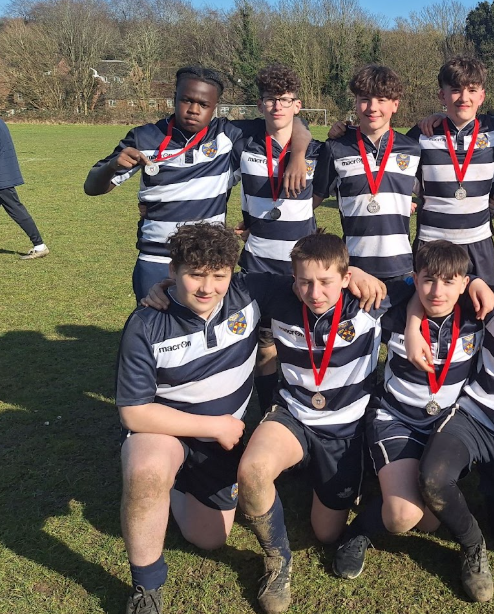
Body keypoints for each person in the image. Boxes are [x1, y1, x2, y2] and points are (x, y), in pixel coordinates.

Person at [233, 233, 406, 614]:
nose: (315, 292)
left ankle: (359, 478)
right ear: (292, 279)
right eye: (305, 281)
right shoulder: (277, 293)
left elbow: (435, 285)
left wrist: (476, 282)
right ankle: (278, 562)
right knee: (252, 471)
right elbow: (215, 279)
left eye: (326, 281)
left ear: (346, 278)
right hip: (293, 415)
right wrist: (165, 283)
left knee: (326, 533)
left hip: (344, 429)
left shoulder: (373, 299)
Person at [115, 223, 259, 614]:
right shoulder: (145, 323)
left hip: (219, 445)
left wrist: (360, 274)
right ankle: (146, 588)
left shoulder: (249, 293)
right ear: (172, 272)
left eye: (218, 276)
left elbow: (314, 280)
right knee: (146, 472)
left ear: (233, 272)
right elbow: (133, 411)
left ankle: (176, 484)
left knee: (208, 538)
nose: (207, 288)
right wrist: (214, 425)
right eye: (195, 275)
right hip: (167, 428)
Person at [84, 66, 311, 301]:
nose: (193, 110)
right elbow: (92, 188)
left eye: (203, 105)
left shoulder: (227, 134)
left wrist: (298, 155)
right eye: (186, 100)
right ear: (174, 98)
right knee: (156, 331)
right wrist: (112, 167)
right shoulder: (144, 137)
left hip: (208, 262)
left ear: (215, 108)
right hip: (157, 260)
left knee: (206, 333)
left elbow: (294, 122)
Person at [331, 240, 483, 580]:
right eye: (428, 280)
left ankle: (390, 482)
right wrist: (352, 271)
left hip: (448, 426)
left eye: (448, 282)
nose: (437, 291)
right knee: (402, 516)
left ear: (464, 283)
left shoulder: (478, 313)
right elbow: (344, 284)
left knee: (430, 522)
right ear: (415, 279)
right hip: (395, 419)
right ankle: (357, 533)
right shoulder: (394, 309)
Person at [232, 64, 323, 414]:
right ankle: (269, 409)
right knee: (264, 343)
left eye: (285, 100)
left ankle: (305, 409)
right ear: (260, 105)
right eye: (271, 99)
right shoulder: (243, 143)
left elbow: (323, 192)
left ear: (298, 105)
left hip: (299, 266)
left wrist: (298, 155)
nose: (277, 107)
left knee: (304, 341)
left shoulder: (317, 150)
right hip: (256, 261)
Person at [405, 57, 494, 285]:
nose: (464, 98)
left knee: (479, 312)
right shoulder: (421, 134)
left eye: (472, 90)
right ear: (442, 95)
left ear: (482, 96)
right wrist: (344, 130)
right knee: (433, 310)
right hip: (431, 242)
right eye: (456, 90)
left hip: (477, 243)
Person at [312, 65, 420, 282]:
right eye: (365, 99)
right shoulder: (336, 148)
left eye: (381, 100)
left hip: (402, 269)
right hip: (354, 270)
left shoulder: (413, 149)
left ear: (395, 105)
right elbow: (312, 202)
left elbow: (433, 197)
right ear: (355, 102)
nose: (372, 107)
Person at [0, 117, 49, 259]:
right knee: (15, 208)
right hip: (4, 174)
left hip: (2, 177)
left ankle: (40, 246)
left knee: (16, 209)